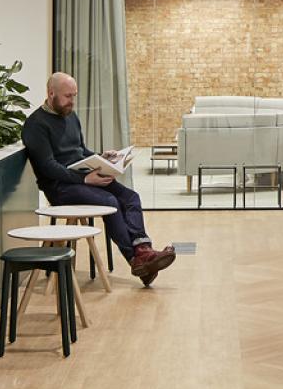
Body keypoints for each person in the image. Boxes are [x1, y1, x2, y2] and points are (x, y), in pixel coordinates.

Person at [22, 72, 175, 284]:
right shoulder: (35, 125)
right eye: (68, 96)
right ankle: (136, 260)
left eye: (74, 96)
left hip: (81, 178)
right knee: (110, 201)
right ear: (51, 93)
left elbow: (80, 151)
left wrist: (101, 157)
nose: (72, 101)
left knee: (130, 197)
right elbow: (48, 167)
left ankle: (143, 250)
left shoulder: (70, 115)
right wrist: (85, 180)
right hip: (59, 188)